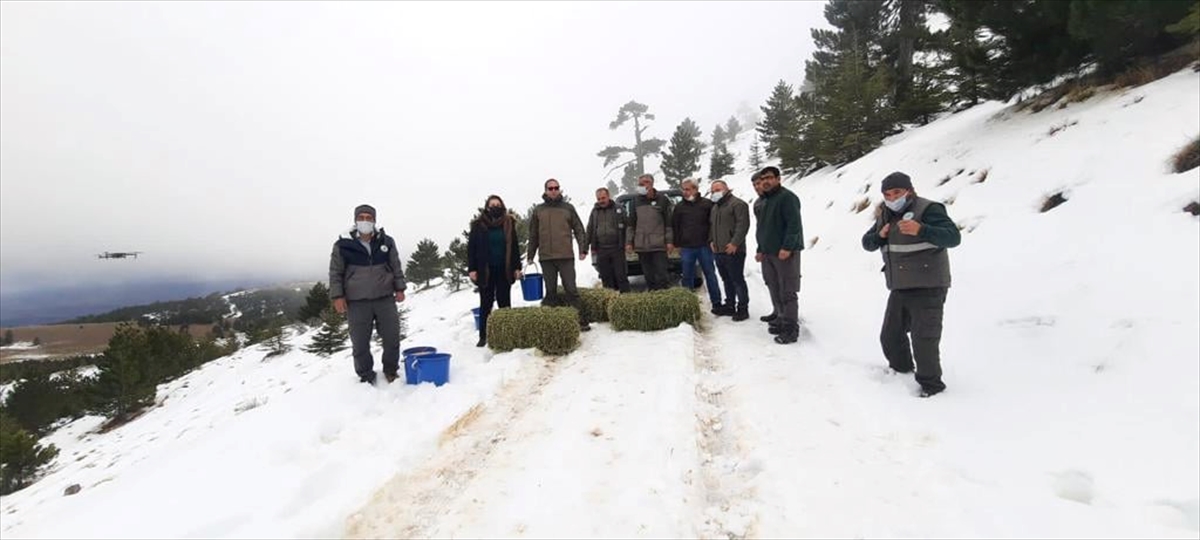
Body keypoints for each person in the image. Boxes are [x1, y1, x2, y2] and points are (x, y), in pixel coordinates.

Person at [861, 172, 961, 398]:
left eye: (897, 192)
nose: (892, 197)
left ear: (909, 190)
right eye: (887, 194)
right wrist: (879, 234)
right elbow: (866, 243)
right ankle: (902, 371)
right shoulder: (885, 214)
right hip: (900, 286)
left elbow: (953, 237)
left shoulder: (929, 209)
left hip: (929, 285)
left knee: (924, 338)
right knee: (890, 335)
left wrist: (922, 230)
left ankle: (932, 386)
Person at [329, 204, 407, 384]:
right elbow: (335, 272)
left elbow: (396, 265)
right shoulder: (343, 244)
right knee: (360, 342)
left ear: (374, 220)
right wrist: (337, 296)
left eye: (369, 217)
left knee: (392, 337)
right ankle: (366, 375)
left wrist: (400, 288)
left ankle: (390, 370)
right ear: (356, 220)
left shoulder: (386, 241)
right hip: (357, 301)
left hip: (385, 297)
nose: (365, 221)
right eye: (361, 217)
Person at [527, 178, 591, 331]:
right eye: (550, 188)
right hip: (546, 258)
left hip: (565, 257)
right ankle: (552, 324)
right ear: (545, 191)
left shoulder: (568, 208)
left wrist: (583, 249)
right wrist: (530, 255)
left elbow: (579, 229)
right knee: (550, 292)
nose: (554, 190)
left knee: (571, 289)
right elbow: (533, 234)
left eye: (556, 188)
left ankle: (581, 320)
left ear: (560, 189)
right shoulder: (538, 210)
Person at [754, 167, 804, 345]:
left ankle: (791, 329)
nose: (765, 181)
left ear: (778, 179)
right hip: (768, 253)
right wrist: (760, 248)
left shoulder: (787, 197)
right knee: (773, 286)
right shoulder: (765, 200)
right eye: (763, 178)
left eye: (769, 178)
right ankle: (781, 320)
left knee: (787, 290)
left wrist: (787, 247)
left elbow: (794, 225)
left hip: (784, 253)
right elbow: (763, 229)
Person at [468, 195, 522, 347]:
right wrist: (472, 269)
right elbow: (471, 248)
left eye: (498, 204)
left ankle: (507, 335)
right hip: (485, 270)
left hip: (504, 268)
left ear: (502, 206)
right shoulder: (478, 225)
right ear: (487, 207)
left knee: (504, 302)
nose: (495, 207)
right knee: (486, 303)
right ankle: (484, 336)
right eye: (492, 205)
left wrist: (517, 267)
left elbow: (515, 247)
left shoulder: (508, 223)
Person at [672, 179, 723, 311]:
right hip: (687, 247)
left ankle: (716, 302)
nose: (685, 192)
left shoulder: (707, 204)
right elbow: (675, 227)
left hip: (704, 246)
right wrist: (677, 244)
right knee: (687, 276)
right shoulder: (679, 207)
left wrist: (712, 240)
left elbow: (714, 224)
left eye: (687, 189)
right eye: (683, 189)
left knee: (710, 274)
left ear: (695, 189)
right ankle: (688, 305)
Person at [708, 179, 751, 321]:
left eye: (718, 189)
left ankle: (743, 308)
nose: (715, 192)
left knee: (737, 280)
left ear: (726, 189)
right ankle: (730, 305)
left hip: (734, 251)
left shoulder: (738, 204)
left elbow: (742, 226)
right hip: (719, 250)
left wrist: (734, 243)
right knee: (726, 279)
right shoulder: (715, 207)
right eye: (713, 190)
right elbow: (711, 226)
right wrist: (712, 241)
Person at [626, 174, 674, 291]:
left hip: (658, 245)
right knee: (649, 276)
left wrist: (669, 241)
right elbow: (631, 224)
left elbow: (668, 223)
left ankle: (665, 298)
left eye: (645, 182)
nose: (642, 185)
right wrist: (629, 242)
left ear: (651, 184)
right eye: (640, 183)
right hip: (642, 246)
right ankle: (653, 297)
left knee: (662, 275)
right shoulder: (634, 201)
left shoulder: (662, 199)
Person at [587, 187, 630, 293]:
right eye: (599, 199)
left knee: (621, 276)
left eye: (603, 198)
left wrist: (628, 242)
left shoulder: (618, 209)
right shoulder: (594, 211)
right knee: (606, 278)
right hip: (601, 249)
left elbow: (628, 226)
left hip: (617, 248)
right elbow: (590, 229)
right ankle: (610, 301)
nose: (601, 201)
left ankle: (626, 301)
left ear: (608, 196)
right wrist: (585, 248)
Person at [750, 172, 777, 324]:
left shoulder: (779, 199)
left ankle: (786, 317)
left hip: (781, 250)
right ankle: (777, 311)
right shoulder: (758, 203)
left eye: (759, 183)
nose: (757, 187)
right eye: (754, 185)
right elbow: (760, 228)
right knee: (771, 281)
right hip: (765, 249)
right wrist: (759, 248)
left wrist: (787, 247)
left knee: (784, 285)